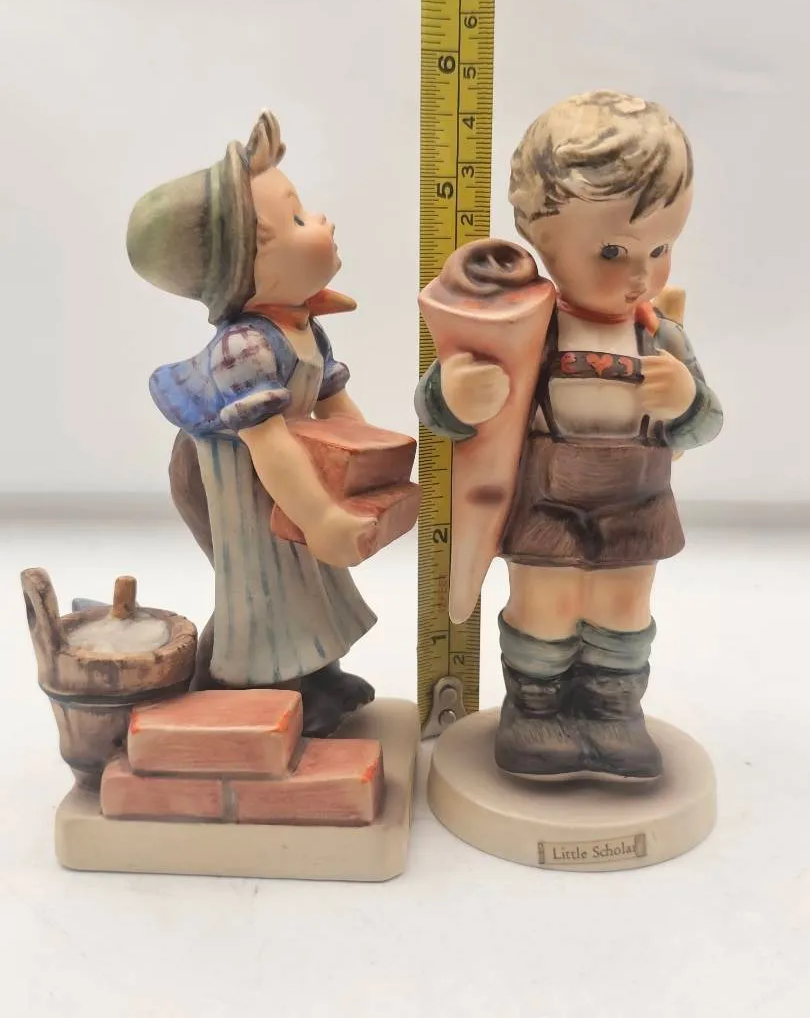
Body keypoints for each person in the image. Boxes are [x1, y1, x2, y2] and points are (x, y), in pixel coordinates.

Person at [416, 90, 723, 780]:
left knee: (624, 605)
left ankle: (613, 713)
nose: (641, 274)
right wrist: (457, 393)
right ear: (541, 236)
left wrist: (685, 399)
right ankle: (536, 712)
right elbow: (440, 412)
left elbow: (707, 422)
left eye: (661, 248)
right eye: (613, 250)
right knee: (545, 605)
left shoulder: (661, 337)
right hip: (547, 498)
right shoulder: (524, 328)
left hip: (637, 498)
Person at [127, 111, 378, 736]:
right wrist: (321, 516)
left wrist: (372, 471)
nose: (322, 220)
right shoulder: (247, 347)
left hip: (282, 465)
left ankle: (316, 673)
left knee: (308, 572)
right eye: (298, 220)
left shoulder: (301, 325)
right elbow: (267, 443)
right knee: (264, 579)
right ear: (251, 267)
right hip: (234, 476)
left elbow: (335, 406)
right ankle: (261, 685)